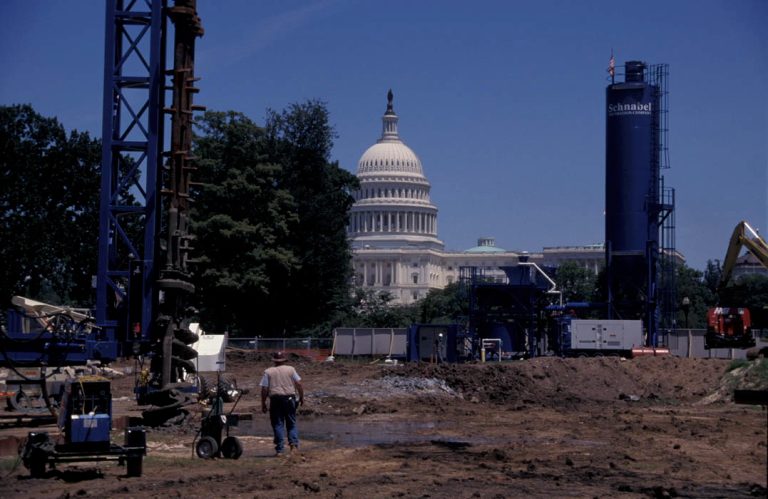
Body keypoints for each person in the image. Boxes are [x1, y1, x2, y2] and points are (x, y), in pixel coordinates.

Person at [260, 351, 304, 456]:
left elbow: (264, 389)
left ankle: (280, 450)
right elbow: (298, 383)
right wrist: (301, 397)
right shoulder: (291, 369)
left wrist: (263, 403)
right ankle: (293, 445)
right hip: (289, 399)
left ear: (274, 361)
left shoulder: (268, 372)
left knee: (278, 424)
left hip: (275, 400)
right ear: (284, 360)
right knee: (291, 423)